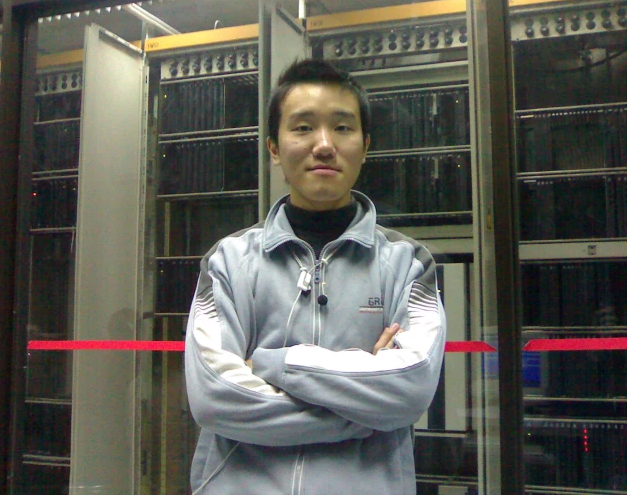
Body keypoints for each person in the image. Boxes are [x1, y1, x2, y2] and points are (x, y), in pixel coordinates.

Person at [184, 58, 446, 495]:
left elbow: (410, 388)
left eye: (342, 128)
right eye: (303, 127)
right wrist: (364, 410)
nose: (324, 144)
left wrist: (272, 363)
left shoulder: (408, 264)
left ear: (365, 144)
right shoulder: (227, 262)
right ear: (273, 147)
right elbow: (214, 398)